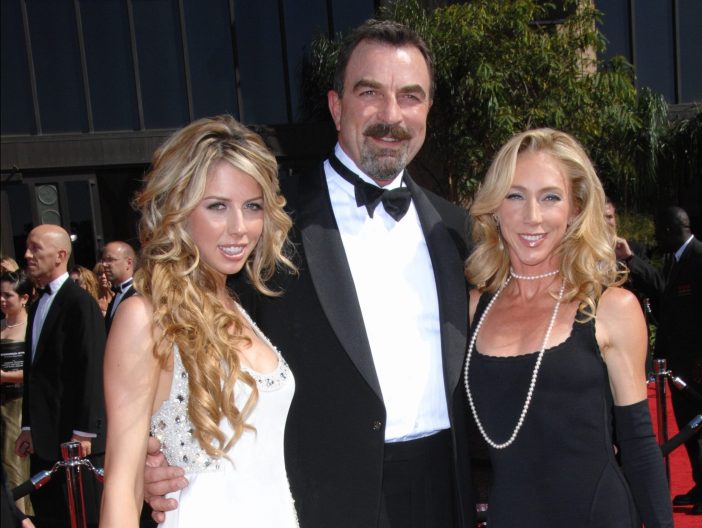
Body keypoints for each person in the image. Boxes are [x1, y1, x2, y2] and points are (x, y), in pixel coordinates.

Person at [145, 19, 474, 528]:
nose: (391, 115)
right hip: (316, 497)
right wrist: (155, 455)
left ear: (428, 109)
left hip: (442, 493)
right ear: (336, 105)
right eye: (370, 92)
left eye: (411, 96)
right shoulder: (265, 225)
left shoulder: (457, 232)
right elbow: (184, 341)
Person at [464, 129, 672, 527]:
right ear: (494, 208)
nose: (532, 216)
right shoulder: (473, 309)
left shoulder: (611, 308)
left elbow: (638, 445)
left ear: (575, 209)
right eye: (515, 195)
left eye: (550, 197)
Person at [99, 115, 297, 527]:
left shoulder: (235, 304)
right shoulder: (145, 317)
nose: (239, 228)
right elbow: (122, 485)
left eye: (253, 207)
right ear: (179, 209)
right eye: (217, 206)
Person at [626, 206, 702, 515]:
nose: (657, 237)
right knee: (691, 428)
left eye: (659, 230)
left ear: (672, 229)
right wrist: (631, 262)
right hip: (681, 362)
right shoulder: (674, 261)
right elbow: (664, 296)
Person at [15, 224, 106, 528]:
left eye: (36, 248)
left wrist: (84, 432)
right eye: (27, 247)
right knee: (50, 516)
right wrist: (27, 425)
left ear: (60, 255)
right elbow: (34, 372)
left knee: (78, 518)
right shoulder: (39, 302)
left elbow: (91, 368)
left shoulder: (80, 304)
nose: (27, 255)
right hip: (44, 440)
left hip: (73, 441)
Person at [1, 271, 34, 518]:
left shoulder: (31, 326)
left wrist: (5, 376)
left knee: (15, 463)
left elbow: (37, 370)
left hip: (19, 404)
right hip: (1, 404)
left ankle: (22, 517)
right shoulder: (1, 325)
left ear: (24, 298)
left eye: (7, 295)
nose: (2, 300)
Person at [99, 241, 137, 330]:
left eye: (110, 259)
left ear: (128, 262)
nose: (104, 264)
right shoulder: (115, 293)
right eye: (103, 260)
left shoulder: (139, 294)